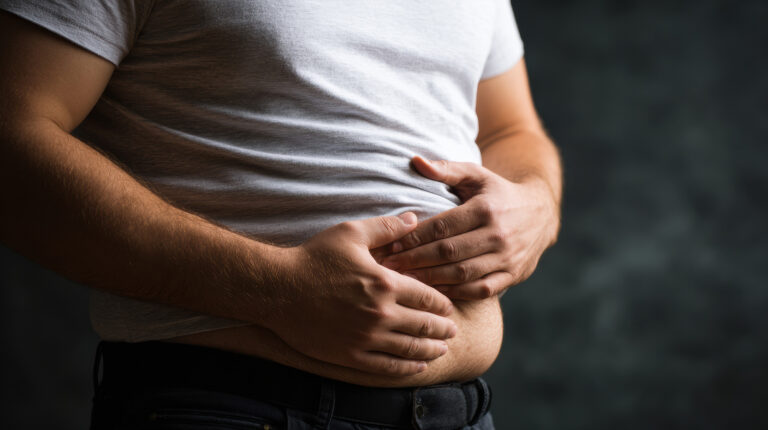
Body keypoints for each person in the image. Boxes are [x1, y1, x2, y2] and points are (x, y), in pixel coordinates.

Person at [0, 0, 561, 429]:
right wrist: (274, 290)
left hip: (457, 413)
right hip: (225, 407)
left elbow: (511, 129)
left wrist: (535, 202)